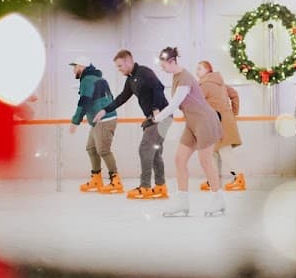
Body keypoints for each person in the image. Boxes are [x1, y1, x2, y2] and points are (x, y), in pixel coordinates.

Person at [153, 47, 225, 217]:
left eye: (164, 65)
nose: (162, 69)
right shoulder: (176, 76)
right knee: (179, 159)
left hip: (205, 121)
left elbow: (173, 104)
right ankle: (182, 200)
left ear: (172, 62)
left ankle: (218, 198)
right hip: (192, 123)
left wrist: (156, 118)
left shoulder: (185, 78)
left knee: (205, 160)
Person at [95, 49, 171, 200]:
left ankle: (145, 187)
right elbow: (122, 98)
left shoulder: (144, 72)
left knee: (145, 149)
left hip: (161, 116)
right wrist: (105, 110)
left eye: (120, 66)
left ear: (129, 62)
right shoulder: (131, 79)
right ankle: (161, 187)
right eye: (117, 67)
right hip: (156, 118)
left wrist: (156, 109)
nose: (119, 69)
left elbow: (159, 87)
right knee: (155, 153)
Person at [68, 55, 123, 194]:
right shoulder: (98, 79)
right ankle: (96, 179)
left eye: (75, 67)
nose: (74, 70)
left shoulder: (87, 80)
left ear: (81, 67)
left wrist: (75, 121)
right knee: (91, 148)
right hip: (99, 120)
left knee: (103, 150)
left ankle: (116, 181)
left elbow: (84, 102)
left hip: (104, 120)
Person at [196, 60, 245, 191]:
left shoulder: (204, 85)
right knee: (214, 152)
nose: (197, 71)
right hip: (223, 121)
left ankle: (239, 178)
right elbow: (234, 94)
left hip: (218, 122)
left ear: (208, 70)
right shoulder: (221, 83)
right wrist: (233, 113)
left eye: (200, 68)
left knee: (223, 151)